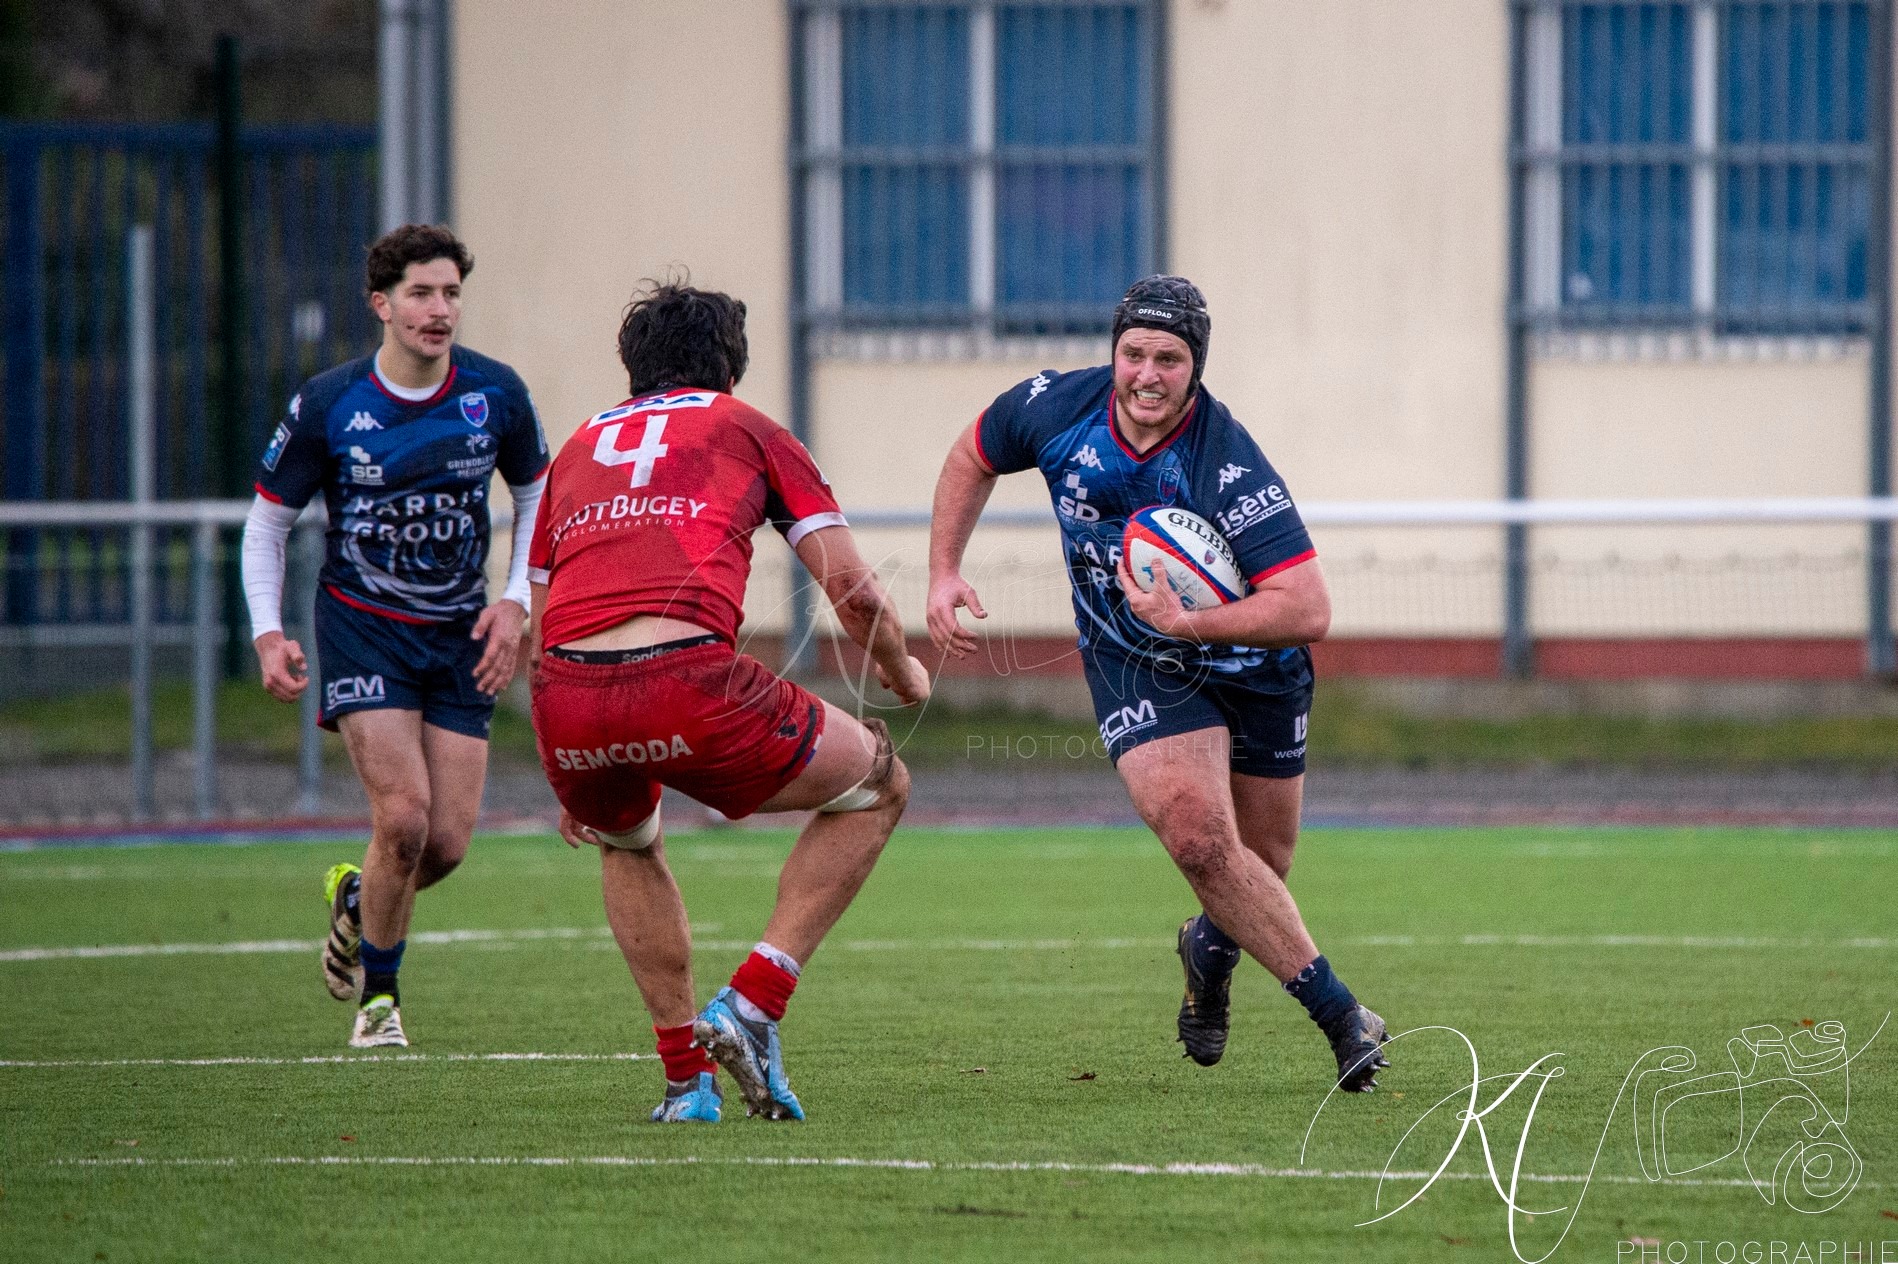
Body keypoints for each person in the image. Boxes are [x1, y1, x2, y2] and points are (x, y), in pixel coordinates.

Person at [925, 275, 1391, 1092]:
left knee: (1261, 864)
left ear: (1195, 368)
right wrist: (942, 572)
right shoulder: (1053, 407)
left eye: (1168, 359)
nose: (1146, 374)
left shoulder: (1227, 462)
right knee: (1201, 840)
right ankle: (1342, 1017)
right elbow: (972, 453)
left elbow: (1308, 606)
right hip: (1134, 657)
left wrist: (1190, 621)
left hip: (1256, 667)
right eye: (1132, 354)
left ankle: (1207, 952)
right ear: (1113, 352)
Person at [527, 280, 928, 1124]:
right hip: (685, 680)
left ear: (632, 368)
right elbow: (853, 593)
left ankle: (685, 1085)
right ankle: (752, 1001)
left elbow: (542, 608)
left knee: (629, 843)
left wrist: (566, 764)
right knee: (879, 785)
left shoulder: (575, 450)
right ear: (731, 365)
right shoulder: (744, 427)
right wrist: (902, 666)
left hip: (566, 698)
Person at [241, 224, 548, 1049]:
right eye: (420, 293)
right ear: (382, 303)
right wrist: (269, 634)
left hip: (462, 635)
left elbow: (538, 496)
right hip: (363, 630)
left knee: (441, 846)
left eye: (450, 293)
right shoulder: (331, 402)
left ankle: (353, 903)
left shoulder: (496, 395)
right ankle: (380, 1005)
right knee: (405, 820)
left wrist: (515, 603)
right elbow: (266, 526)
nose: (438, 309)